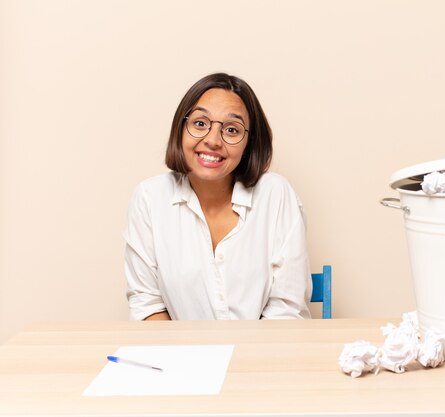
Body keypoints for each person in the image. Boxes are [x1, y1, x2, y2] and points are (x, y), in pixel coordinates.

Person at [124, 73, 312, 321]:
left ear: (249, 143)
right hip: (182, 357)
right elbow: (147, 305)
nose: (212, 141)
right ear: (181, 129)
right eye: (200, 124)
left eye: (232, 130)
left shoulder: (276, 194)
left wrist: (243, 359)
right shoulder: (149, 198)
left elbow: (287, 310)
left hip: (264, 354)